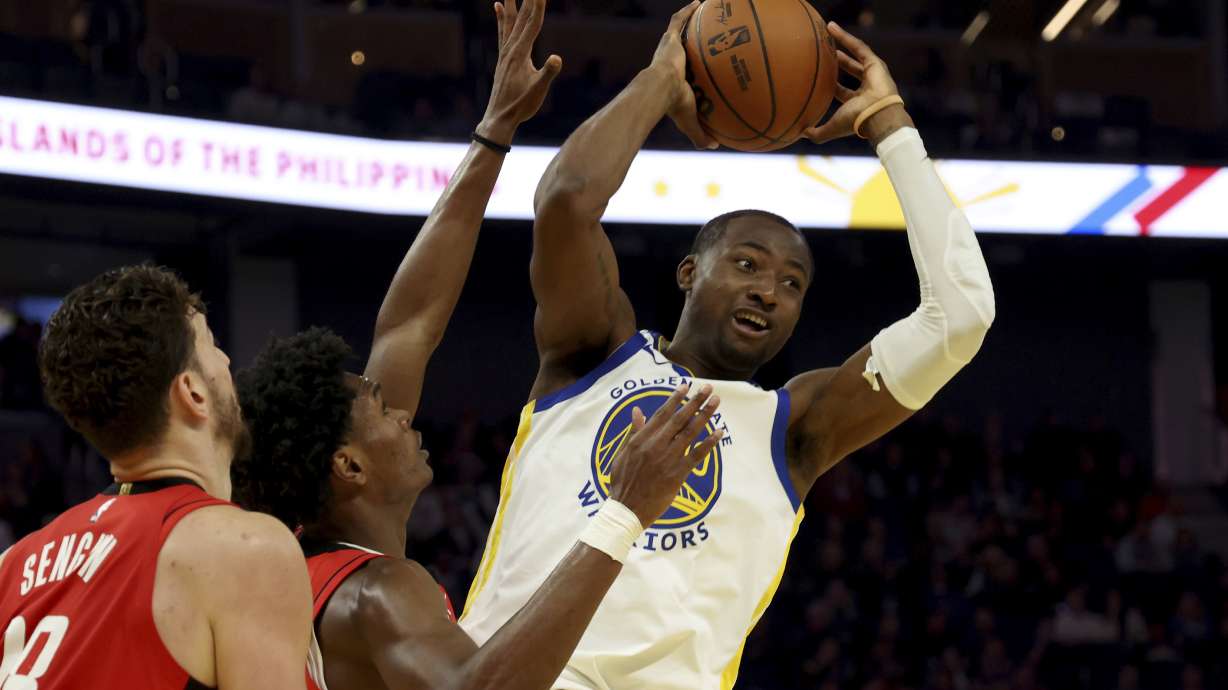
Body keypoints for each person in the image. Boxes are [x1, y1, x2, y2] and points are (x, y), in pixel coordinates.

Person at [459, 3, 997, 688]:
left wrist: (889, 124)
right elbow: (567, 199)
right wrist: (662, 79)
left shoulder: (794, 430)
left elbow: (961, 316)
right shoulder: (593, 352)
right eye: (747, 264)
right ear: (689, 272)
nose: (769, 291)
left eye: (792, 283)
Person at [233, 2, 723, 689]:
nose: (401, 410)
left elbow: (411, 323)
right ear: (348, 465)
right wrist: (625, 512)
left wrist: (495, 130)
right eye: (379, 409)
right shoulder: (378, 592)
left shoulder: (317, 570)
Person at [0, 265, 312, 689]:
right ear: (192, 392)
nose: (226, 360)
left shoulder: (12, 565)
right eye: (212, 344)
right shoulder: (246, 549)